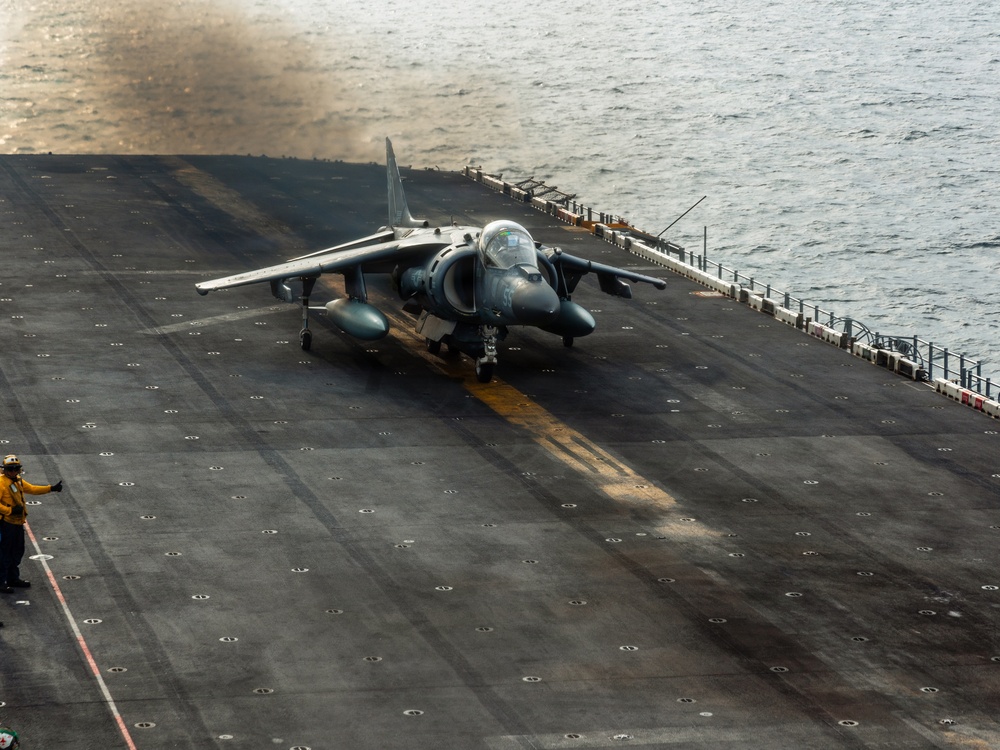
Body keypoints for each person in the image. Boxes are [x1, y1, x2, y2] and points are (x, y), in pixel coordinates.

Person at [0, 455, 63, 605]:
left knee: (17, 551)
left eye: (16, 468)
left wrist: (51, 488)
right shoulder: (1, 483)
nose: (14, 471)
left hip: (17, 523)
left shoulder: (19, 481)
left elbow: (32, 489)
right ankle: (1, 580)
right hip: (6, 524)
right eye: (11, 469)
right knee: (4, 553)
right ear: (5, 470)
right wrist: (9, 510)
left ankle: (13, 578)